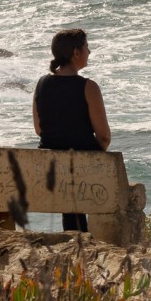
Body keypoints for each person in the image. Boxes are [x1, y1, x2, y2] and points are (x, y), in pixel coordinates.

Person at [33, 28, 111, 231]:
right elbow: (103, 136)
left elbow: (39, 129)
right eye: (87, 47)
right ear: (76, 53)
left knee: (68, 180)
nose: (89, 52)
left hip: (50, 167)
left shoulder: (41, 84)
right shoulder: (88, 87)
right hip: (82, 166)